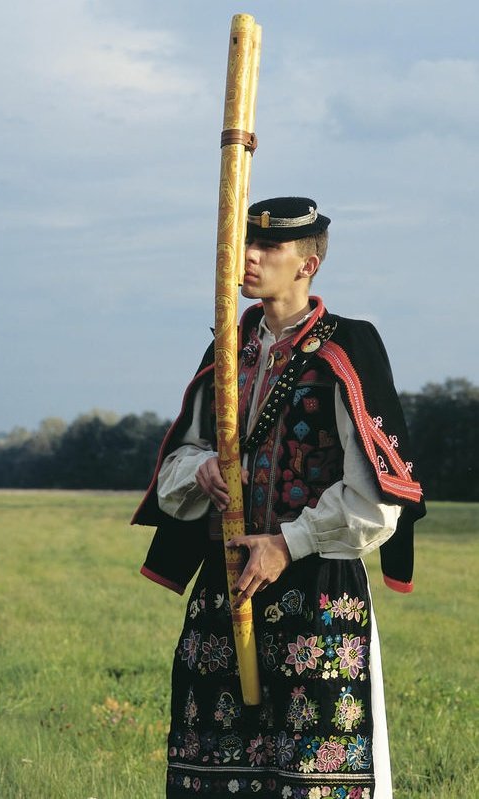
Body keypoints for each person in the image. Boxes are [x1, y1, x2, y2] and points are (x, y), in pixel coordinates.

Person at [132, 197, 425, 799]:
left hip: (316, 593)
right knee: (212, 775)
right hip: (226, 588)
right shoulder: (228, 350)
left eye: (269, 248)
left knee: (315, 779)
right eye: (245, 244)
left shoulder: (350, 347)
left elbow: (376, 502)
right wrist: (203, 469)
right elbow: (173, 469)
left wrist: (288, 543)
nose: (249, 258)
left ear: (307, 264)